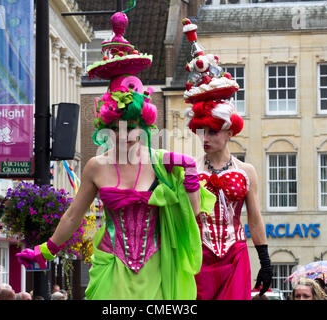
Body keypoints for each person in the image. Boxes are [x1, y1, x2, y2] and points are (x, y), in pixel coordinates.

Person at [15, 12, 215, 300]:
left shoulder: (162, 163)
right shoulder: (97, 167)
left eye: (133, 127)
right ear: (106, 127)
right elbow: (73, 214)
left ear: (144, 126)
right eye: (117, 127)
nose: (126, 135)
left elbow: (193, 216)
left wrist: (191, 180)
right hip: (111, 266)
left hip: (156, 269)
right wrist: (47, 250)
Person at [180, 18, 272, 300]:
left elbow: (254, 219)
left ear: (229, 131)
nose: (205, 138)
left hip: (235, 256)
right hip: (199, 259)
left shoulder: (247, 171)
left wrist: (265, 260)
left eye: (213, 131)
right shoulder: (190, 169)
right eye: (201, 131)